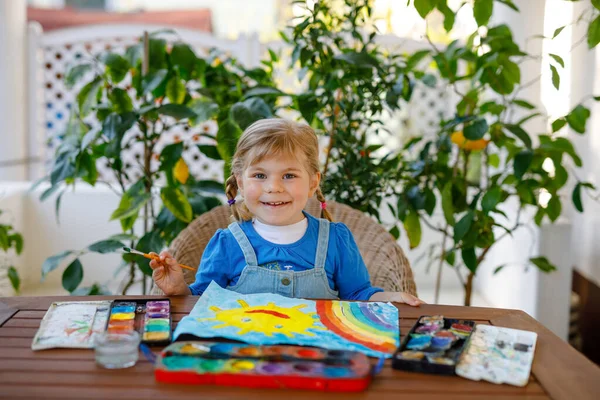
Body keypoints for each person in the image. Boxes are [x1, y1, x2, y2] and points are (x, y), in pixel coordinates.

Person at [150, 118, 423, 306]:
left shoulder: (336, 240)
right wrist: (178, 290)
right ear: (241, 181)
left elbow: (359, 295)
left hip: (316, 364)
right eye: (260, 175)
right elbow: (201, 301)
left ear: (313, 182)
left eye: (289, 175)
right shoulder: (227, 243)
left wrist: (389, 297)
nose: (274, 187)